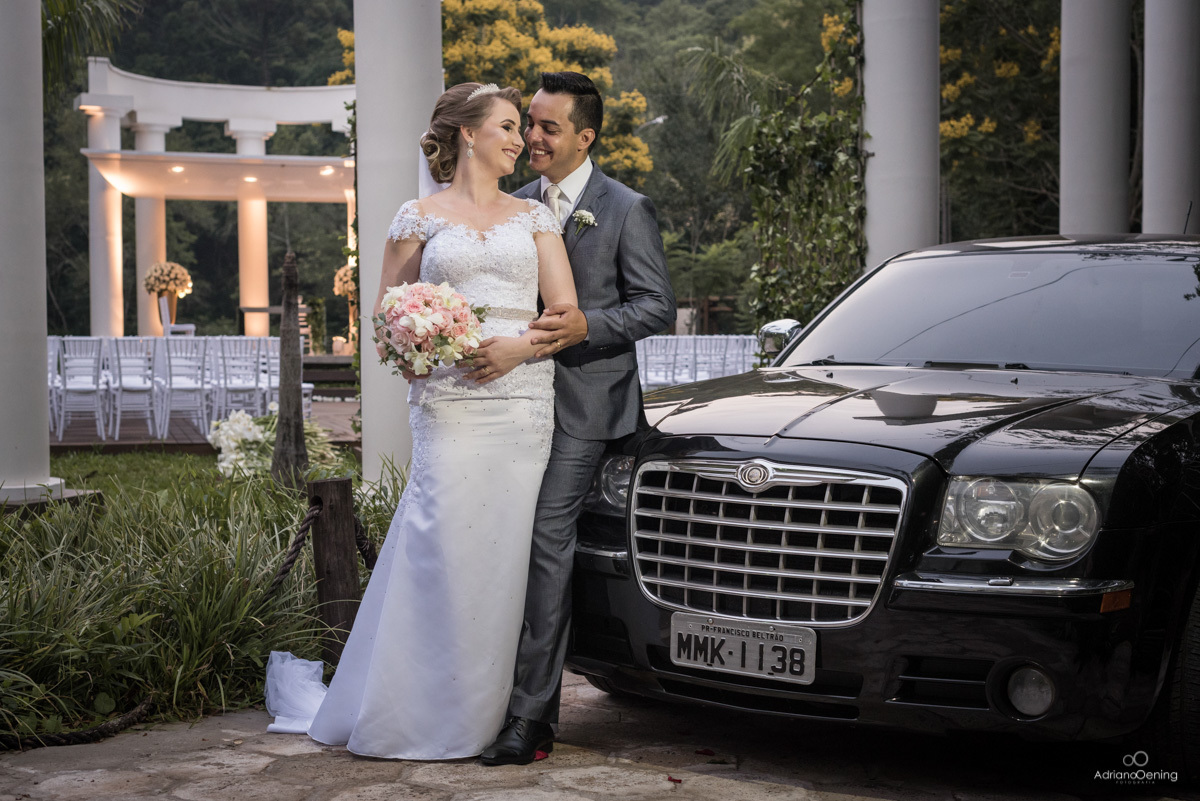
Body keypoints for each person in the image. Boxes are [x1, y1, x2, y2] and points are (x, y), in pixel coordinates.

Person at [298, 81, 578, 760]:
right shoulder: (415, 216)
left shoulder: (535, 215)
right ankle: (419, 711)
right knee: (444, 545)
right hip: (448, 402)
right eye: (509, 127)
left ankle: (495, 716)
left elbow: (569, 317)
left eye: (522, 129)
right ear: (467, 133)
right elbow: (385, 316)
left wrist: (519, 347)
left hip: (521, 403)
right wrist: (419, 351)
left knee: (506, 556)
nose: (522, 140)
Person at [472, 71, 676, 765]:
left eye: (547, 126)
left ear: (585, 137)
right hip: (511, 402)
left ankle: (532, 717)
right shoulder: (515, 203)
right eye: (527, 122)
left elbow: (655, 307)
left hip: (587, 408)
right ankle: (481, 692)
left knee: (544, 537)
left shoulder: (625, 208)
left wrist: (590, 323)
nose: (530, 135)